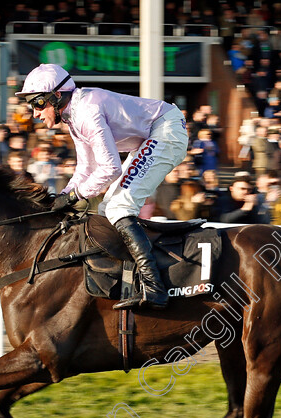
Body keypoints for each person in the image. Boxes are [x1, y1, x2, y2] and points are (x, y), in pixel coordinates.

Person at [16, 64, 188, 310]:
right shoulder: (73, 115)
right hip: (154, 134)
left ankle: (155, 287)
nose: (34, 112)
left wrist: (76, 195)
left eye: (38, 103)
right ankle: (131, 281)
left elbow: (110, 169)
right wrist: (62, 197)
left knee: (119, 207)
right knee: (108, 208)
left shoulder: (86, 111)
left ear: (56, 96)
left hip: (165, 130)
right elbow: (86, 168)